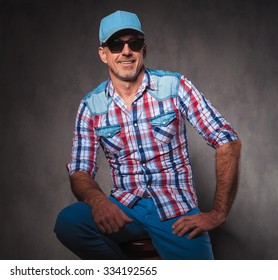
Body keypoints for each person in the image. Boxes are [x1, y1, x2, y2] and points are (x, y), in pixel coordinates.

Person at [54, 10, 241, 260]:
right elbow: (79, 170)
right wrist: (99, 202)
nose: (126, 51)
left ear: (144, 49)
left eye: (135, 42)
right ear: (103, 53)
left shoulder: (175, 87)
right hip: (125, 208)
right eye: (116, 44)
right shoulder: (91, 106)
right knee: (69, 223)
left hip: (175, 211)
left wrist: (218, 212)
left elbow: (227, 140)